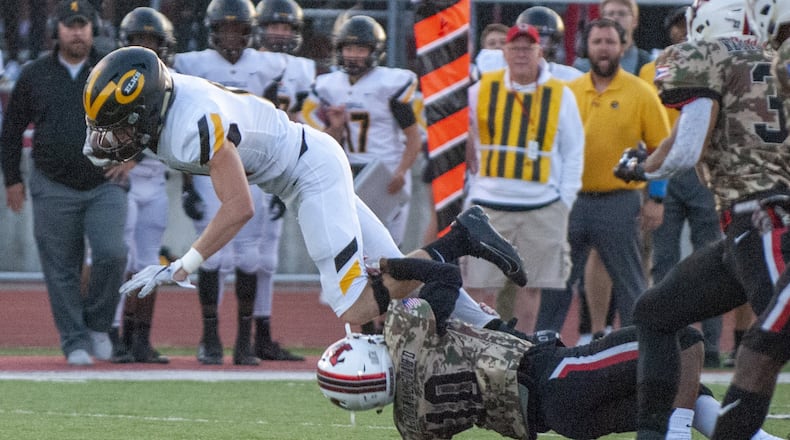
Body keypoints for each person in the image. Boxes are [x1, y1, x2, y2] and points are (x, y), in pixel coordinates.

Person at [85, 46, 528, 349]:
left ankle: (460, 237)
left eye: (120, 124)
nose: (110, 137)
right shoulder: (165, 100)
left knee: (356, 305)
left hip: (308, 173)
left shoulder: (189, 127)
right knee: (408, 277)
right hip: (302, 162)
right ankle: (502, 334)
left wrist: (184, 264)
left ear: (145, 110)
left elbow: (240, 207)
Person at [316, 257, 782, 440]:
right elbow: (445, 275)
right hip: (556, 374)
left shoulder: (409, 425)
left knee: (665, 383)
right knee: (680, 340)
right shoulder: (406, 331)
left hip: (557, 421)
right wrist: (393, 266)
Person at [611, 0, 790, 437]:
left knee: (764, 347)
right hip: (745, 225)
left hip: (766, 218)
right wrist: (645, 165)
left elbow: (688, 148)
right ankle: (658, 431)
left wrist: (642, 169)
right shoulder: (772, 60)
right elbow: (682, 136)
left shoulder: (704, 56)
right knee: (655, 311)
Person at [0, 0, 127, 366]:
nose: (77, 31)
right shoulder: (34, 74)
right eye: (70, 25)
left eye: (83, 24)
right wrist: (12, 180)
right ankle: (74, 339)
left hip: (105, 181)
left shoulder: (111, 72)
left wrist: (134, 156)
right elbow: (10, 132)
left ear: (94, 28)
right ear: (56, 30)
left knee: (112, 253)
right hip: (52, 183)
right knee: (61, 267)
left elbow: (144, 116)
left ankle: (99, 324)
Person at [172, 0, 290, 366]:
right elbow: (182, 125)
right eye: (224, 29)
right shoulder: (193, 65)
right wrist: (186, 184)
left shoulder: (270, 65)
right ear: (211, 31)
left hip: (253, 168)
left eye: (238, 29)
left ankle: (244, 341)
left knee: (251, 256)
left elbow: (278, 126)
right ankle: (209, 337)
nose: (231, 36)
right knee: (211, 255)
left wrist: (278, 182)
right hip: (208, 167)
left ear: (249, 31)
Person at [462, 23, 584, 336]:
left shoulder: (561, 94)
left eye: (527, 47)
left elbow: (573, 151)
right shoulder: (480, 90)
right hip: (490, 200)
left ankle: (522, 351)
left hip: (541, 202)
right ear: (503, 51)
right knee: (476, 283)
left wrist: (563, 201)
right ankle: (474, 347)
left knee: (529, 287)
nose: (520, 54)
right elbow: (467, 143)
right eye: (514, 47)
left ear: (539, 51)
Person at [565, 18, 670, 339]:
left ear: (623, 46)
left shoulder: (640, 91)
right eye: (597, 42)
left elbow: (661, 147)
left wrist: (656, 197)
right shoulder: (569, 91)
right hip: (572, 200)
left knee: (631, 282)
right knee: (558, 281)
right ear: (587, 47)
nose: (604, 49)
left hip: (620, 200)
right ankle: (561, 344)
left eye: (610, 42)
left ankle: (643, 345)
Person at [640, 6, 724, 369]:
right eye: (678, 26)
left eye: (688, 26)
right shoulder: (652, 66)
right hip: (669, 164)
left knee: (715, 254)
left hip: (703, 164)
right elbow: (664, 124)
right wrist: (651, 173)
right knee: (665, 258)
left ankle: (713, 341)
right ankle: (671, 331)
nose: (684, 32)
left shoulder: (716, 60)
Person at [301, 15, 421, 248]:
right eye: (349, 48)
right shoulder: (329, 85)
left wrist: (401, 171)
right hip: (347, 170)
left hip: (385, 171)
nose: (353, 55)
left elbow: (413, 137)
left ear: (373, 51)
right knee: (349, 247)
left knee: (387, 249)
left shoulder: (389, 84)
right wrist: (335, 127)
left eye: (360, 49)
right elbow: (325, 141)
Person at [108, 6, 177, 365]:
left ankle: (141, 340)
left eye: (152, 41)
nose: (146, 48)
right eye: (139, 41)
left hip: (156, 180)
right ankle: (114, 335)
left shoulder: (172, 82)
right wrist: (128, 155)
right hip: (125, 181)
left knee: (150, 263)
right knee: (124, 260)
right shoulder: (112, 78)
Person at [251, 0, 314, 361]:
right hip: (250, 162)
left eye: (286, 27)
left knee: (268, 257)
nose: (280, 33)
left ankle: (263, 331)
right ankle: (231, 337)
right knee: (239, 257)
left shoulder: (304, 69)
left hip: (283, 167)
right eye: (274, 26)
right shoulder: (248, 63)